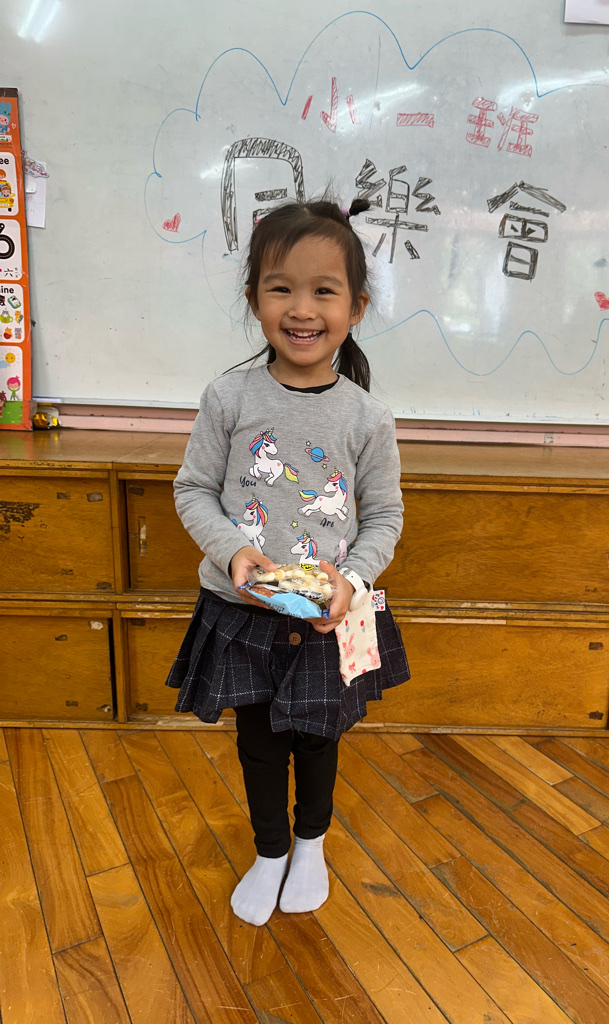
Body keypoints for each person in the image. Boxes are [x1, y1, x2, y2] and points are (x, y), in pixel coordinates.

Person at [166, 198, 409, 927]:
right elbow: (193, 490)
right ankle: (270, 850)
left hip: (330, 617)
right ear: (255, 300)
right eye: (281, 288)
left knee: (319, 738)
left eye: (323, 290)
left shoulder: (368, 417)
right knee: (260, 743)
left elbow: (385, 517)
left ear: (355, 307)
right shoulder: (228, 397)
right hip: (242, 613)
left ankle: (311, 845)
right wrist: (233, 551)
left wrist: (351, 581)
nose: (302, 309)